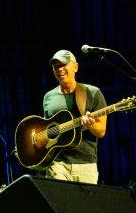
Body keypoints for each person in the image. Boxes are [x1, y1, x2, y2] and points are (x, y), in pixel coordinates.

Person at [41, 49, 107, 184]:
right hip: (57, 164)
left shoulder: (93, 93)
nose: (59, 69)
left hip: (85, 164)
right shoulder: (48, 97)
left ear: (76, 67)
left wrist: (90, 124)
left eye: (63, 64)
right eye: (56, 66)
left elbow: (101, 131)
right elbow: (47, 130)